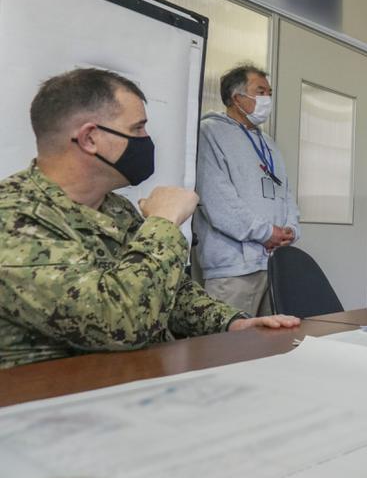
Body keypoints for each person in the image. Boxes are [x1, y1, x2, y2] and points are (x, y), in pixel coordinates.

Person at [0, 68, 300, 369]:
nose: (146, 140)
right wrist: (164, 222)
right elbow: (118, 322)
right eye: (138, 129)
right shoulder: (14, 216)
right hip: (57, 400)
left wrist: (233, 322)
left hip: (141, 385)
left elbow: (170, 294)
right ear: (90, 138)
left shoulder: (116, 208)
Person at [194, 65, 301, 316]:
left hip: (273, 265)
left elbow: (285, 192)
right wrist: (265, 232)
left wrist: (291, 229)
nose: (267, 99)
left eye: (270, 93)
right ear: (237, 97)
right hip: (233, 270)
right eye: (260, 91)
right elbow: (218, 200)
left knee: (269, 348)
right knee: (228, 350)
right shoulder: (209, 133)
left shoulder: (269, 143)